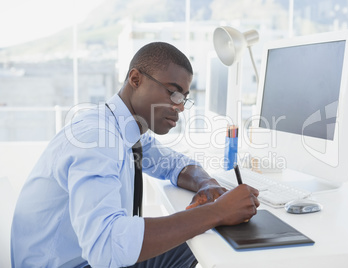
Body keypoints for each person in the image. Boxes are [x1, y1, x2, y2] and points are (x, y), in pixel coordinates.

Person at [11, 42, 260, 268]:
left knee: (199, 236)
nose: (180, 107)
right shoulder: (97, 137)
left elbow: (175, 164)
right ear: (135, 79)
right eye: (173, 93)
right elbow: (106, 247)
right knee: (201, 231)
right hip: (73, 263)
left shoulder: (127, 130)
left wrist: (208, 185)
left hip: (87, 257)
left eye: (184, 98)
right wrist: (217, 212)